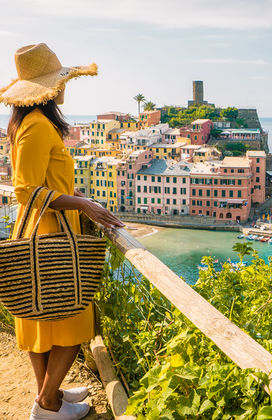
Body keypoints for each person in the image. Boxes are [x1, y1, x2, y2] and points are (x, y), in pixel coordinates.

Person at [0, 43, 125, 420]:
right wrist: (84, 204)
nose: (64, 86)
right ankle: (49, 403)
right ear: (48, 90)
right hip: (51, 232)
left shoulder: (27, 123)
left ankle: (47, 395)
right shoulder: (38, 126)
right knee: (74, 318)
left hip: (37, 231)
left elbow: (42, 181)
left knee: (39, 316)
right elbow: (27, 190)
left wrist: (73, 195)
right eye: (60, 80)